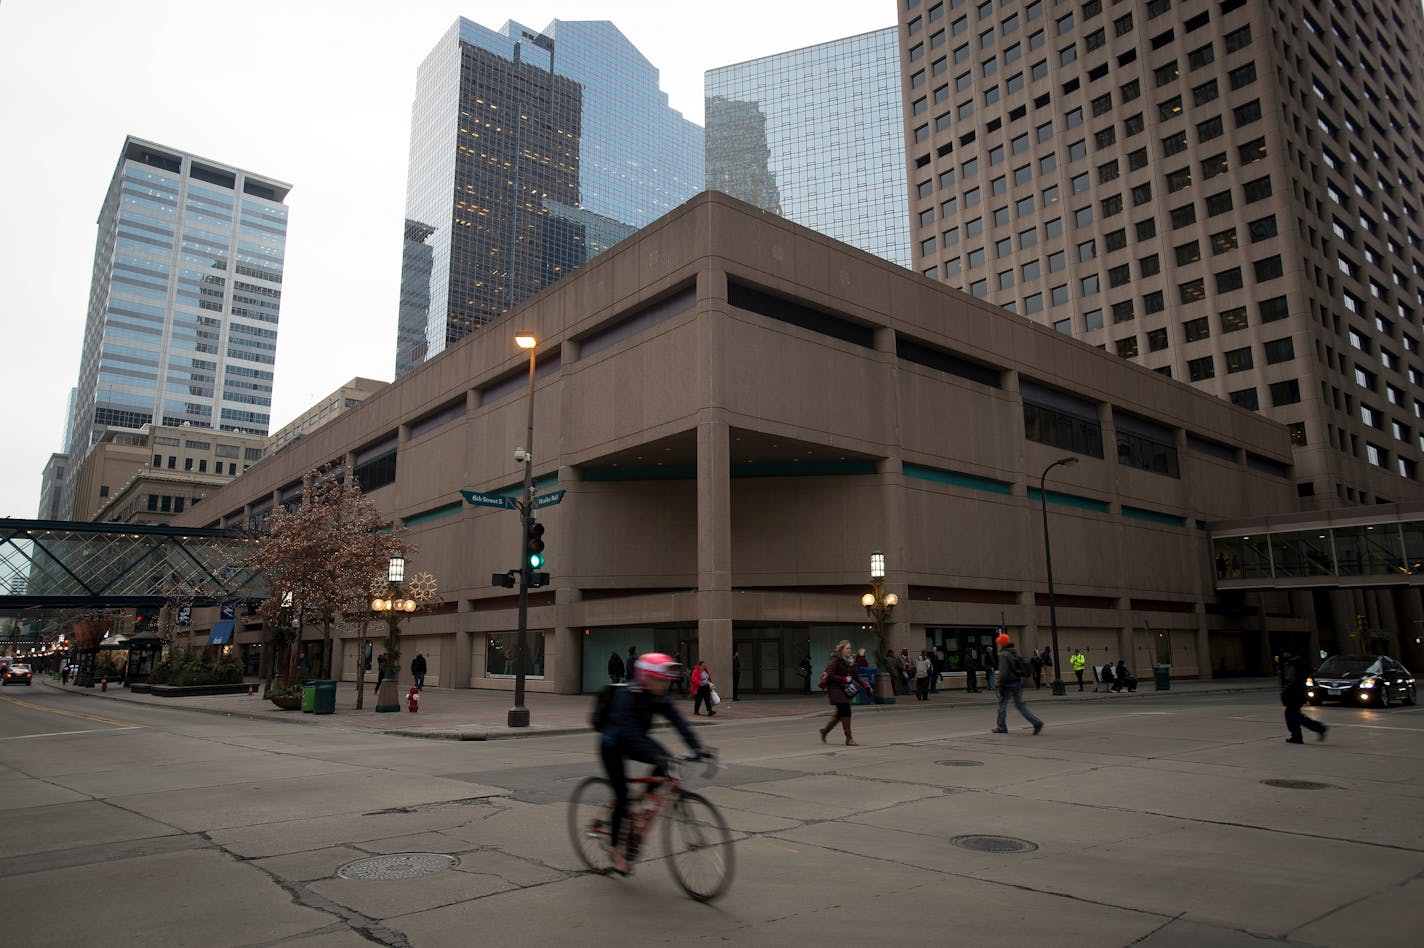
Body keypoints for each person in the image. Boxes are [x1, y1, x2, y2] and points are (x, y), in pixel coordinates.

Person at [596, 652, 706, 875]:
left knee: (666, 763)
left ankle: (643, 800)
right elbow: (629, 734)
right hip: (614, 744)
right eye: (660, 680)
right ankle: (616, 851)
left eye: (666, 681)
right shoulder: (628, 696)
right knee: (622, 797)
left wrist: (698, 748)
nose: (664, 685)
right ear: (646, 677)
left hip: (636, 740)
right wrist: (657, 757)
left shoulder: (659, 697)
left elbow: (680, 723)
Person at [818, 640, 872, 746]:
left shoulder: (851, 661)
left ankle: (825, 731)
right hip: (834, 689)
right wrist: (844, 679)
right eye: (847, 648)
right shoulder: (836, 660)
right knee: (846, 710)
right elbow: (830, 675)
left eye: (850, 648)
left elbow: (856, 676)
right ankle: (849, 738)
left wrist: (866, 685)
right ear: (841, 650)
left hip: (845, 689)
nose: (849, 650)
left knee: (840, 714)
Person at [992, 633, 1043, 735]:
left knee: (1002, 705)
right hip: (1017, 683)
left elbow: (1004, 672)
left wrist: (1000, 684)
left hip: (1008, 684)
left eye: (998, 644)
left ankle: (1001, 727)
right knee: (1020, 705)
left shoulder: (1003, 655)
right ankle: (1036, 722)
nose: (997, 646)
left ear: (1001, 644)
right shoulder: (1013, 652)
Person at [1279, 646, 1327, 744]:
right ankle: (1297, 736)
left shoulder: (1292, 663)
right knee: (1293, 715)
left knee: (1292, 715)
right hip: (1298, 693)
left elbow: (1290, 680)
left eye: (1285, 652)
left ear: (1289, 653)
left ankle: (1318, 728)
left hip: (1294, 693)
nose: (1284, 654)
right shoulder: (1297, 661)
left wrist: (1285, 692)